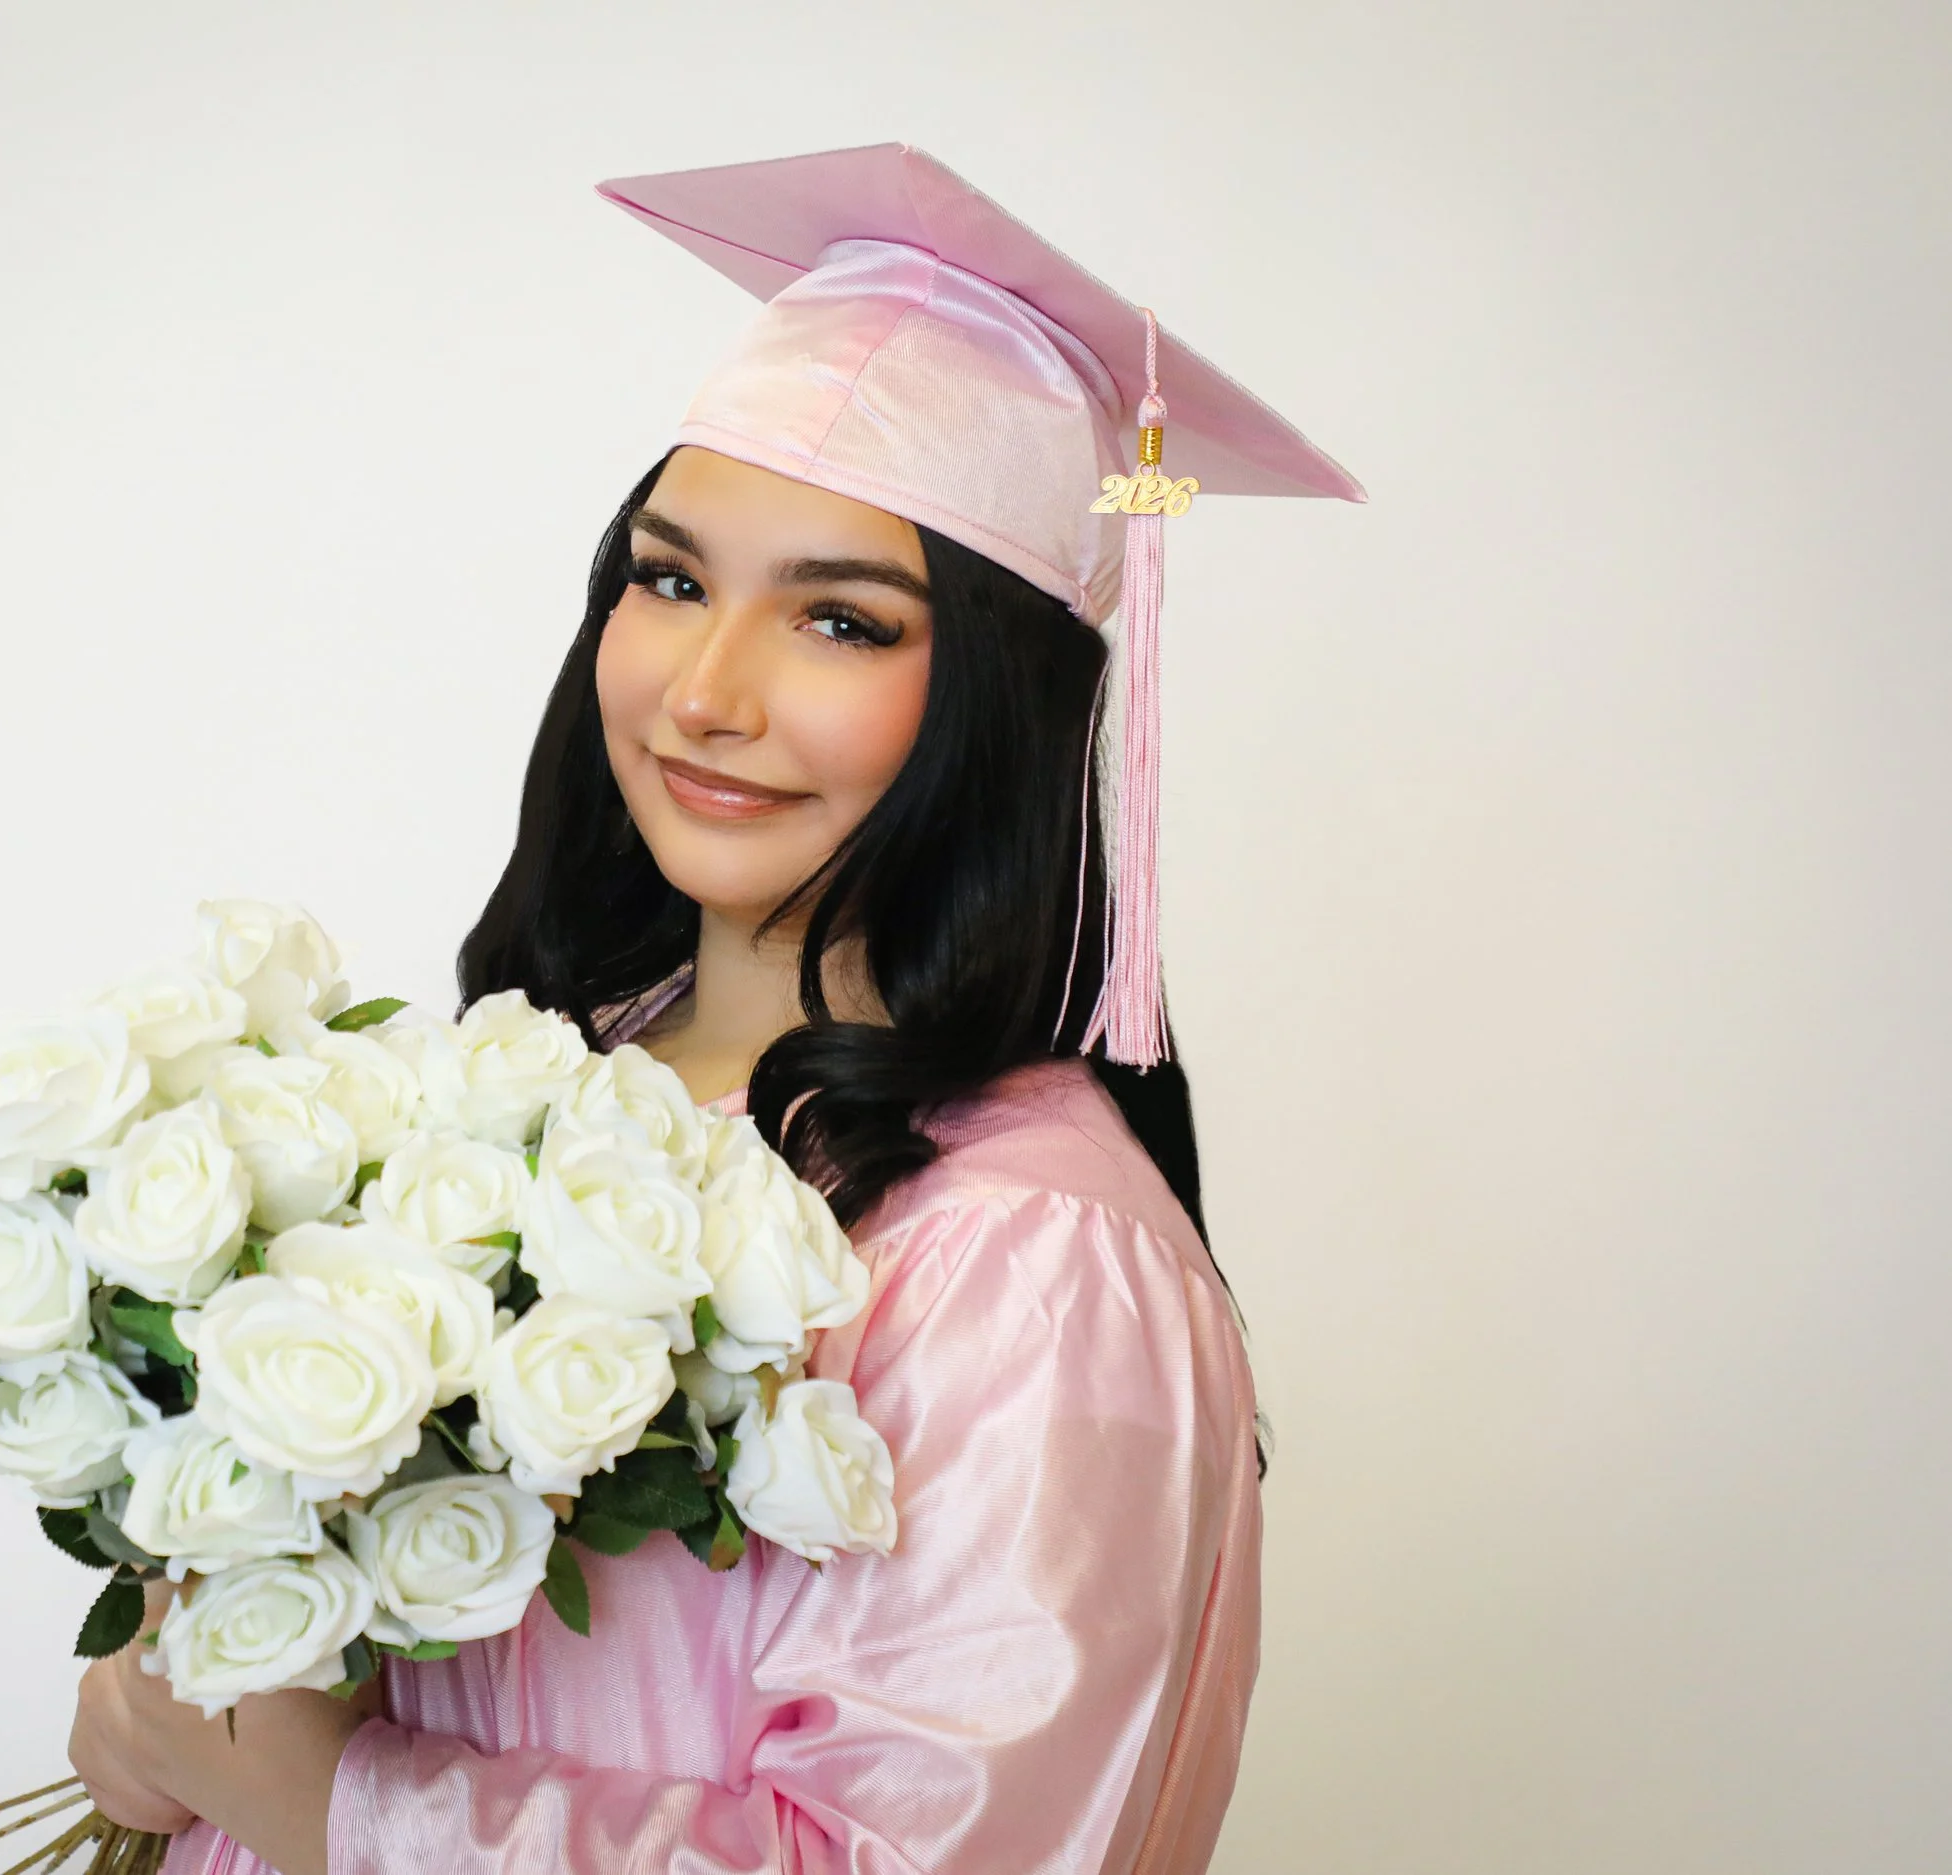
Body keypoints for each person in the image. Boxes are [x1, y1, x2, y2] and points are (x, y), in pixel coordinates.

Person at [67, 142, 1362, 1874]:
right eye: (671, 579)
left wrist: (327, 1803)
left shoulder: (1026, 1252)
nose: (705, 689)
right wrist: (178, 1702)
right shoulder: (531, 1089)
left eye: (838, 618)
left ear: (995, 701)